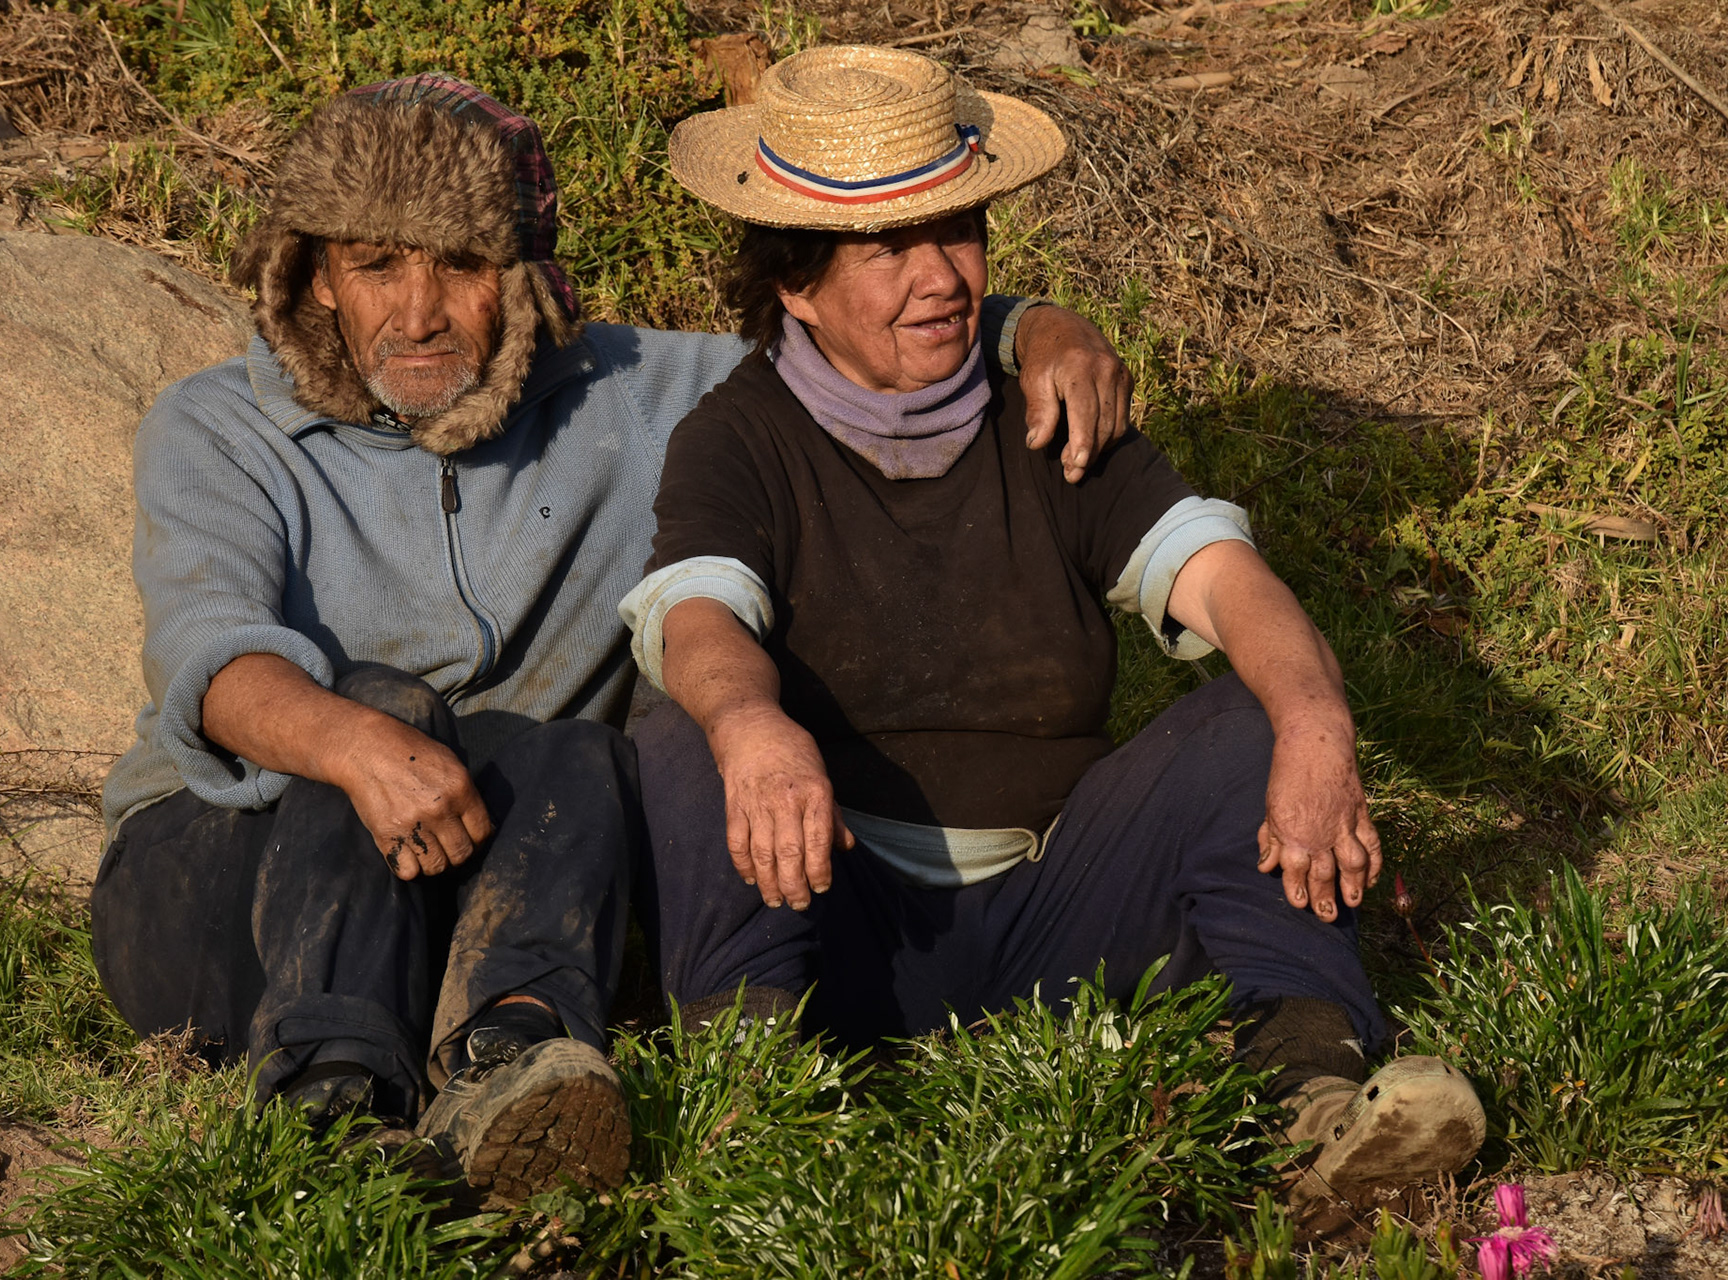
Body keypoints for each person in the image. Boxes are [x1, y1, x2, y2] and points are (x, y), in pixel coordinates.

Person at [88, 70, 1134, 1205]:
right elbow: (215, 658)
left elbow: (852, 340)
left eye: (463, 265)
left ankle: (515, 1063)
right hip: (224, 889)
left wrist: (1033, 327)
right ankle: (333, 1100)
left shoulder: (632, 394)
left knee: (581, 748)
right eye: (377, 265)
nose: (419, 312)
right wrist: (355, 744)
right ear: (318, 276)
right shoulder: (218, 427)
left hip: (481, 876)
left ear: (524, 278)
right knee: (378, 705)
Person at [622, 44, 1487, 1218]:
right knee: (686, 725)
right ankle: (757, 1103)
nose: (942, 278)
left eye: (959, 233)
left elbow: (1223, 578)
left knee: (1256, 718)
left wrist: (1317, 720)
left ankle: (1309, 1095)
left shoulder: (1050, 407)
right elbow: (699, 613)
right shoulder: (738, 439)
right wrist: (749, 723)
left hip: (1063, 900)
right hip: (840, 913)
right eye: (890, 250)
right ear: (797, 283)